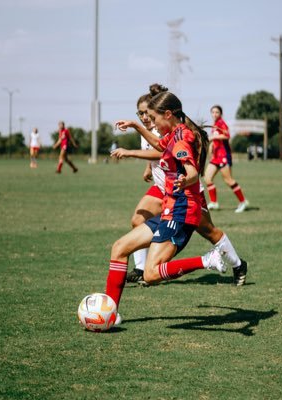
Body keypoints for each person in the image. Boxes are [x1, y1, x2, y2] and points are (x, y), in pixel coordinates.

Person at [105, 90, 241, 323]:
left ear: (168, 114)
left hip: (180, 212)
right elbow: (158, 144)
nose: (153, 122)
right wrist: (137, 127)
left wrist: (184, 180)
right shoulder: (175, 132)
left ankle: (206, 260)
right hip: (170, 207)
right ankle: (109, 313)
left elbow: (191, 172)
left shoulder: (180, 139)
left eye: (154, 118)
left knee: (150, 274)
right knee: (119, 248)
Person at [204, 105, 249, 213]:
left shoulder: (221, 124)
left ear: (220, 114)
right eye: (213, 112)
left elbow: (227, 135)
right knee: (207, 178)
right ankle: (214, 203)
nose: (214, 114)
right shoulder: (215, 125)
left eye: (217, 112)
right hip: (216, 157)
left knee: (228, 180)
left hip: (224, 156)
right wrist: (211, 146)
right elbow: (216, 140)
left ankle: (243, 202)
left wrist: (214, 137)